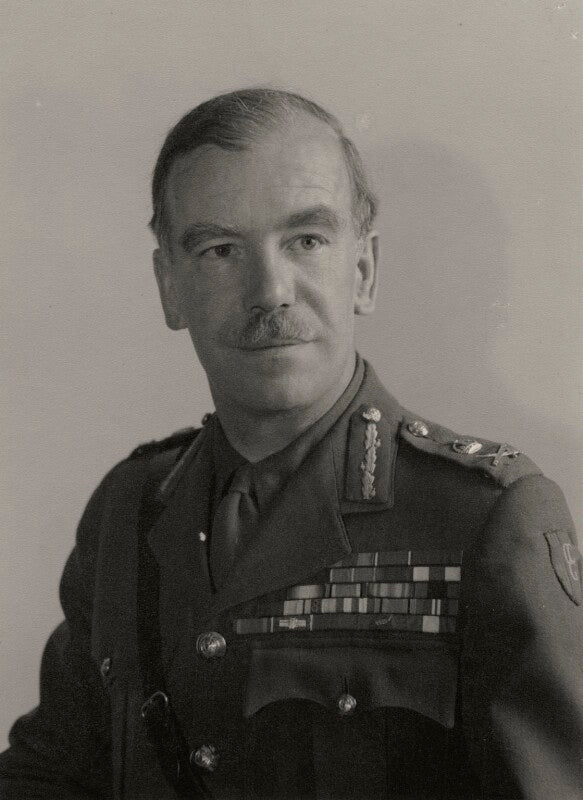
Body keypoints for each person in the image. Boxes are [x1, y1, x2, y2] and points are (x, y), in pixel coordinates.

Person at [1, 87, 582, 800]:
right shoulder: (131, 509)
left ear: (362, 271)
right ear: (169, 287)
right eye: (220, 250)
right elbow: (50, 778)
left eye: (305, 240)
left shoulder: (485, 518)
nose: (270, 290)